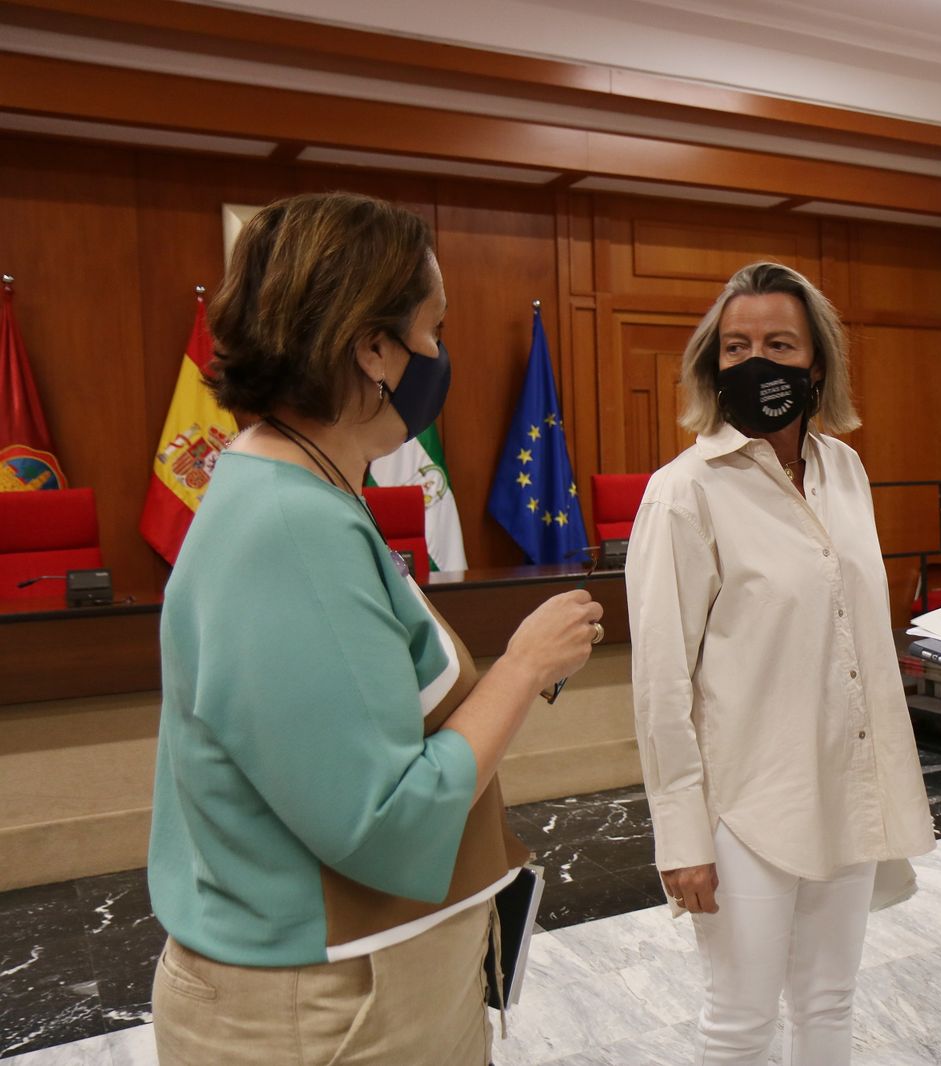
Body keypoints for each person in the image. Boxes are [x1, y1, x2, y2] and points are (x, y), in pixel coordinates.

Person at [147, 191, 604, 1065]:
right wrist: (523, 666)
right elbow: (385, 819)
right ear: (373, 348)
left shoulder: (302, 491)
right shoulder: (290, 525)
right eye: (433, 328)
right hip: (330, 1009)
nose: (440, 354)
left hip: (358, 984)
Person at [626, 261, 934, 1065]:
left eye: (779, 344)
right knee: (741, 1022)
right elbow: (661, 682)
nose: (756, 361)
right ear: (712, 363)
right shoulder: (683, 491)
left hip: (846, 786)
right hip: (747, 805)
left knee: (830, 1002)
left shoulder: (844, 469)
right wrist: (681, 836)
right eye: (736, 346)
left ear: (816, 364)